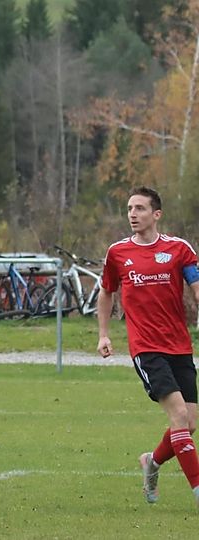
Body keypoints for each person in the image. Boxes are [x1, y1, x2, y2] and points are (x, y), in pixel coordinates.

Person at [97, 186, 199, 508]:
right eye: (129, 208)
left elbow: (197, 286)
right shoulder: (117, 253)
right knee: (179, 414)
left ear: (156, 214)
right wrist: (104, 334)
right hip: (146, 348)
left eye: (140, 208)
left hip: (180, 346)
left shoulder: (179, 249)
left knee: (190, 423)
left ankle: (151, 463)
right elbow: (106, 293)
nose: (132, 214)